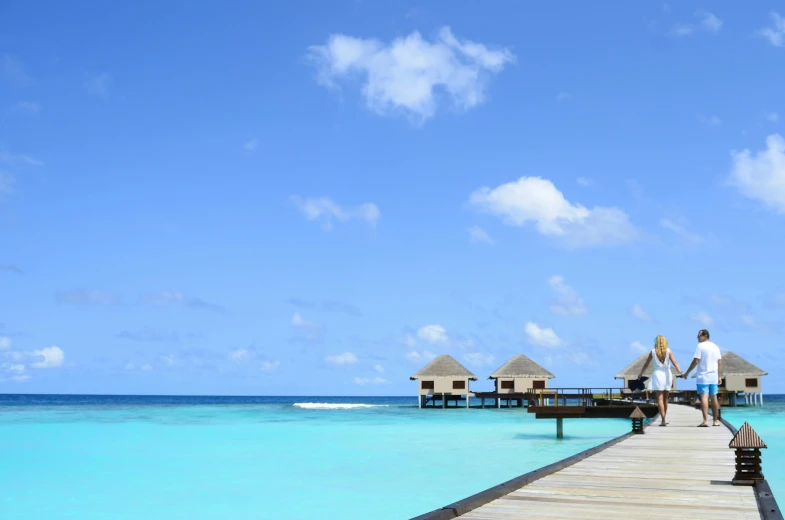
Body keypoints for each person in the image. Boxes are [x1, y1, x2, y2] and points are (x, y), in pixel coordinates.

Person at [681, 329, 722, 427]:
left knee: (704, 397)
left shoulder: (700, 346)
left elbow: (696, 361)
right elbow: (719, 362)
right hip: (713, 376)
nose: (697, 338)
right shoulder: (716, 347)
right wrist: (719, 376)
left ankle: (706, 421)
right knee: (714, 398)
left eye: (699, 336)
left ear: (705, 336)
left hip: (703, 376)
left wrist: (687, 372)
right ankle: (715, 421)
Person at [638, 335, 682, 426]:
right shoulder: (669, 351)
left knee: (660, 399)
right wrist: (681, 372)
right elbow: (675, 362)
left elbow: (646, 364)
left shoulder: (653, 352)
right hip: (667, 374)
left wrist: (641, 373)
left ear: (657, 342)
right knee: (666, 399)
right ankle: (664, 419)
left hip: (657, 375)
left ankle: (663, 419)